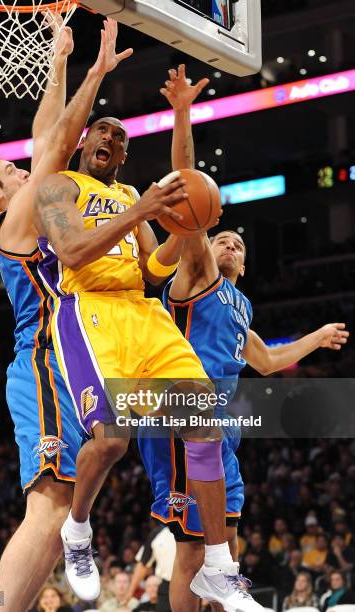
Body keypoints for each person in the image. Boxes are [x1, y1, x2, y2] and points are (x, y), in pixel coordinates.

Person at [34, 74, 261, 612]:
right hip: (90, 312)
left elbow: (155, 271)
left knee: (203, 423)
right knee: (112, 441)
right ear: (85, 140)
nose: (112, 142)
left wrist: (185, 228)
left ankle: (220, 570)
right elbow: (71, 253)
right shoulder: (59, 188)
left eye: (122, 140)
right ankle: (79, 530)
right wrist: (140, 213)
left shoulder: (131, 194)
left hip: (142, 311)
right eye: (104, 134)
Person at [137, 63, 349, 612]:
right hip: (182, 409)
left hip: (223, 428)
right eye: (221, 237)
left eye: (236, 244)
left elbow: (271, 362)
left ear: (247, 265)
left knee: (223, 552)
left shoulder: (241, 304)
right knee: (190, 554)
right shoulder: (197, 272)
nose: (227, 244)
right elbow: (186, 182)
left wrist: (317, 337)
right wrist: (182, 112)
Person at [0, 18, 132, 612]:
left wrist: (58, 59)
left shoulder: (35, 208)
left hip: (75, 357)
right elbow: (53, 143)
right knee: (51, 505)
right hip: (42, 358)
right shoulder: (14, 224)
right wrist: (93, 70)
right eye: (11, 172)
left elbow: (44, 134)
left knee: (62, 513)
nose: (23, 170)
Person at [125, 524, 176, 611]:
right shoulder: (157, 533)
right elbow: (142, 564)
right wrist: (129, 593)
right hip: (165, 586)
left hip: (191, 585)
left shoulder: (197, 529)